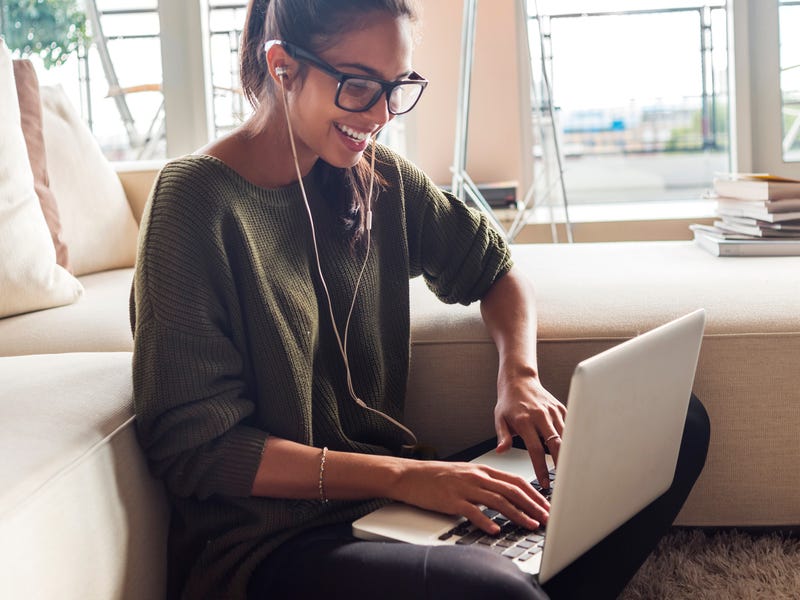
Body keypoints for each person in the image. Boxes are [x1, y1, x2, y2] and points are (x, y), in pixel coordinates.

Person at [130, 1, 710, 598]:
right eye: (359, 87)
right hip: (274, 548)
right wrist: (409, 476)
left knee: (673, 423)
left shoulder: (377, 175)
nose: (380, 114)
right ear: (282, 67)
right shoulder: (193, 204)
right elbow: (195, 449)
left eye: (396, 86)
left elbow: (496, 268)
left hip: (394, 505)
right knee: (495, 592)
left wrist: (521, 376)